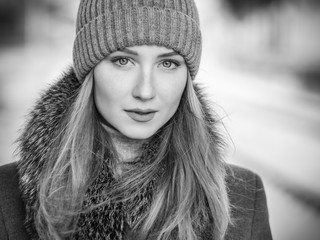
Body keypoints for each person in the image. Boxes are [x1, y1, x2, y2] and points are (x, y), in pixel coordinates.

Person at [0, 0, 273, 239]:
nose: (145, 91)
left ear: (187, 76)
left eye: (168, 64)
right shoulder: (6, 195)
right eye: (122, 61)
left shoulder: (244, 196)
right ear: (89, 71)